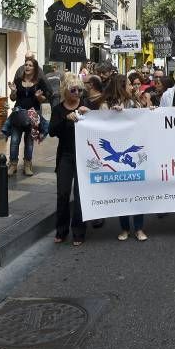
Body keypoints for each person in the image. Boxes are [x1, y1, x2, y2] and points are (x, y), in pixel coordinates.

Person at [99, 74, 148, 242]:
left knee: (137, 192)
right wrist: (113, 115)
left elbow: (144, 120)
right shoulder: (105, 105)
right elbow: (101, 126)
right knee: (122, 192)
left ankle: (139, 228)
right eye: (128, 84)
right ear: (120, 86)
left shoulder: (135, 103)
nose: (131, 87)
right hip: (118, 155)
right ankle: (125, 228)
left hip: (131, 154)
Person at [49, 73, 88, 245]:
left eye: (80, 90)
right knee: (63, 194)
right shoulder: (58, 109)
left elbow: (103, 120)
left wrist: (91, 113)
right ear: (66, 90)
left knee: (80, 195)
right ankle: (61, 230)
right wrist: (66, 119)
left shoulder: (86, 105)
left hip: (84, 155)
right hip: (65, 155)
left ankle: (78, 232)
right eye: (74, 90)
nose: (77, 93)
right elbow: (52, 131)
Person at [6, 58, 46, 176]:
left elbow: (44, 99)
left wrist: (39, 97)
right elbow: (13, 98)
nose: (27, 67)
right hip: (19, 114)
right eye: (26, 65)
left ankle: (27, 165)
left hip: (33, 114)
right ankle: (13, 165)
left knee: (29, 142)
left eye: (30, 65)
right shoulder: (18, 81)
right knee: (14, 140)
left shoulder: (40, 82)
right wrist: (13, 91)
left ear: (35, 68)